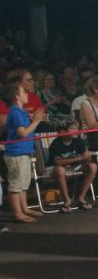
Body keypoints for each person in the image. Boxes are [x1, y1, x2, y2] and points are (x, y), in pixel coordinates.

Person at [3, 83, 46, 223]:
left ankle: (24, 208)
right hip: (16, 153)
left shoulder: (20, 112)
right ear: (16, 96)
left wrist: (34, 119)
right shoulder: (15, 112)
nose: (27, 94)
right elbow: (22, 133)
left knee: (23, 183)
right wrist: (36, 121)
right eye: (23, 92)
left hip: (23, 152)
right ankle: (17, 213)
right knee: (16, 184)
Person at [48, 122, 98, 212]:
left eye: (77, 128)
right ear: (63, 132)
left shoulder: (78, 141)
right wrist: (80, 158)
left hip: (73, 167)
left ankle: (81, 197)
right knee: (60, 170)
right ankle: (67, 200)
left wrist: (87, 156)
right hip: (54, 168)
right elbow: (58, 162)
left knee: (93, 166)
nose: (76, 131)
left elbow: (86, 157)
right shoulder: (56, 143)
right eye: (73, 128)